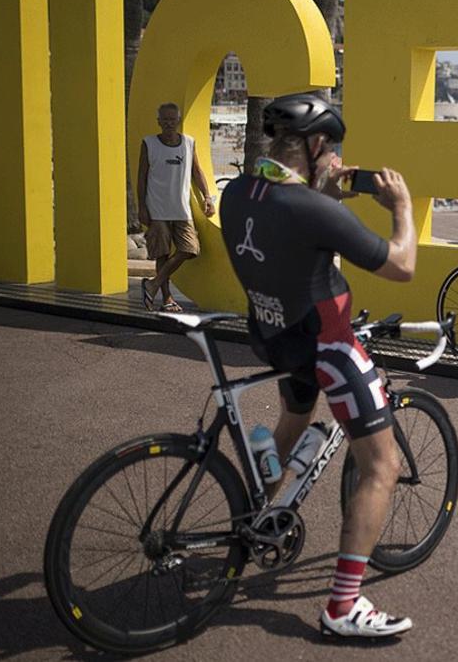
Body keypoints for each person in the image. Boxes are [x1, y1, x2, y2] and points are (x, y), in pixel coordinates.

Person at [219, 94, 418, 639]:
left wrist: (320, 189)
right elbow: (401, 265)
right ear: (318, 145)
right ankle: (344, 606)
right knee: (382, 467)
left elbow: (285, 232)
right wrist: (402, 206)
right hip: (326, 345)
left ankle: (258, 516)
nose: (336, 161)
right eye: (332, 151)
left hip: (274, 335)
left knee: (294, 419)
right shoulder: (314, 210)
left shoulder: (238, 192)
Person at [137, 102, 215, 312]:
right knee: (162, 254)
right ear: (158, 122)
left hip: (182, 209)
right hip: (157, 208)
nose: (169, 123)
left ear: (178, 120)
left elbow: (197, 171)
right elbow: (142, 177)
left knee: (190, 249)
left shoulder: (188, 143)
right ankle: (167, 298)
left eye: (173, 119)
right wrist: (142, 207)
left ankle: (152, 284)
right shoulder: (149, 143)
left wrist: (207, 196)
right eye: (165, 120)